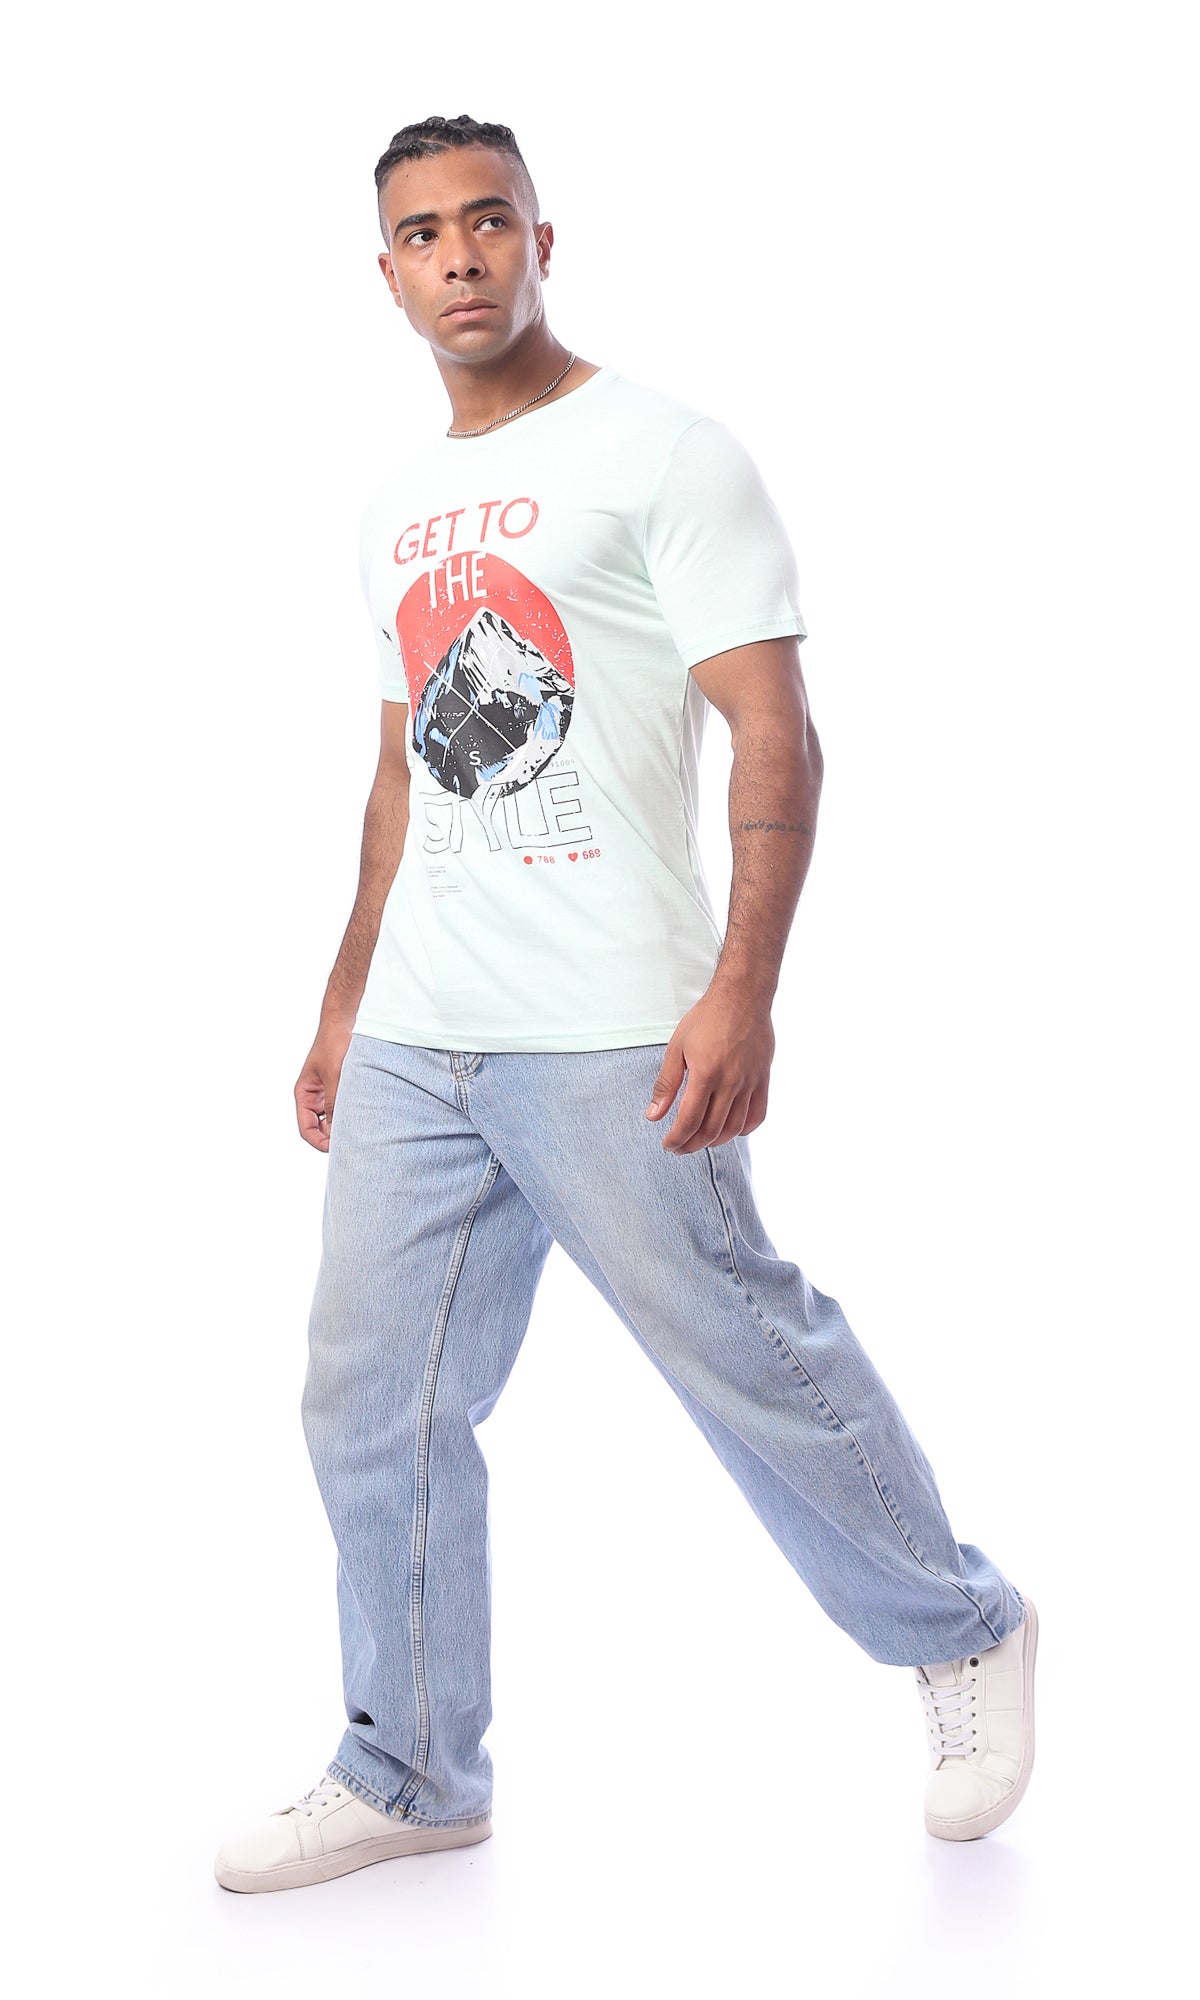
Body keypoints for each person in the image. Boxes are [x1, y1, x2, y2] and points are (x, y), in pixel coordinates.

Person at [214, 112, 1038, 1895]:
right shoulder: (394, 506)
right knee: (369, 1400)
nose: (458, 256)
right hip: (420, 1031)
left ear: (541, 238)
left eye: (487, 222)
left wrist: (745, 989)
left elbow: (777, 733)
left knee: (742, 1351)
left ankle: (963, 1625)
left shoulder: (666, 453)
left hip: (607, 1021)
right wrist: (344, 1001)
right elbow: (401, 780)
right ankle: (413, 1767)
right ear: (385, 275)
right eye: (421, 234)